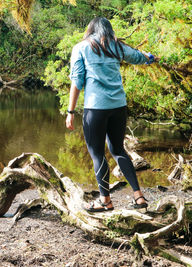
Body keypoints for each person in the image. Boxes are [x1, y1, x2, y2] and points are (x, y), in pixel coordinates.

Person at [65, 17, 155, 212]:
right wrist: (150, 57)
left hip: (95, 108)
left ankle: (105, 200)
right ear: (108, 30)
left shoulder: (81, 48)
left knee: (97, 154)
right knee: (118, 150)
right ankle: (138, 197)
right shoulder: (116, 47)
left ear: (90, 30)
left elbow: (77, 82)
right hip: (118, 107)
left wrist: (70, 111)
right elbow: (138, 57)